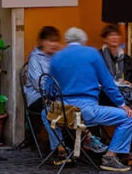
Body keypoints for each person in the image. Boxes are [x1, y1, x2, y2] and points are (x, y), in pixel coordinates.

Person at [46, 27, 132, 172]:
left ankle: (62, 150)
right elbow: (108, 83)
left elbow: (49, 89)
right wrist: (122, 104)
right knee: (129, 118)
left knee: (47, 115)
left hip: (62, 111)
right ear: (83, 41)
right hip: (86, 111)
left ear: (67, 40)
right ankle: (110, 157)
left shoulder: (56, 57)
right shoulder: (92, 54)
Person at [25, 26, 108, 157]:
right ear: (42, 42)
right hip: (39, 97)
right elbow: (40, 86)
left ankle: (81, 142)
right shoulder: (35, 58)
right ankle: (73, 143)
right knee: (54, 109)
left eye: (56, 41)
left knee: (75, 105)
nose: (54, 44)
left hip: (60, 96)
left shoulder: (59, 56)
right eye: (50, 41)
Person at [99, 25, 132, 106]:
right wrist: (115, 83)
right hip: (104, 97)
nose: (114, 37)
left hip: (125, 96)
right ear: (105, 39)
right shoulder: (98, 57)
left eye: (116, 35)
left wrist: (129, 84)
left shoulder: (127, 59)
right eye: (111, 35)